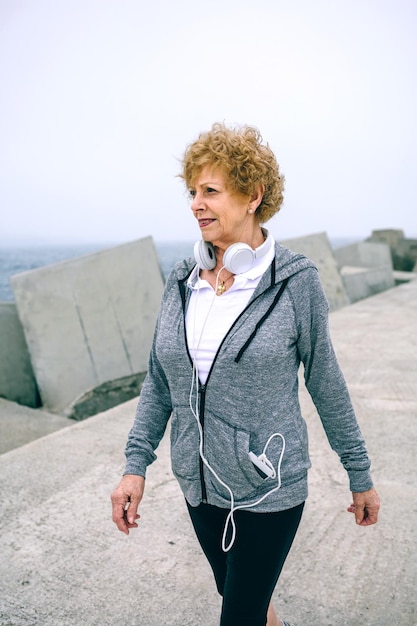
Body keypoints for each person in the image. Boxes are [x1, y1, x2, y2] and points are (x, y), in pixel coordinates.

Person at [111, 122, 380, 626]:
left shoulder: (295, 283)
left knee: (238, 616)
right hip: (198, 486)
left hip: (268, 489)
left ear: (253, 195)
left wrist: (358, 474)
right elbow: (159, 382)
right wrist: (135, 465)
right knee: (249, 607)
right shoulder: (181, 281)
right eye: (192, 192)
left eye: (210, 191)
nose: (195, 203)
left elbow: (326, 381)